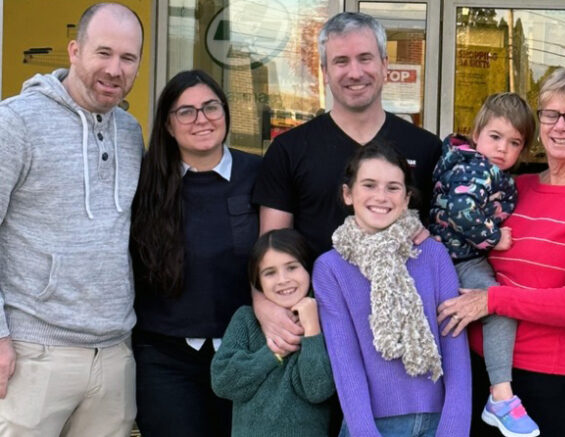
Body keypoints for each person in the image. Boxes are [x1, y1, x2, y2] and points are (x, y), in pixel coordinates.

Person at [437, 67, 565, 437]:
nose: (560, 126)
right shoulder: (514, 186)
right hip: (472, 366)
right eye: (551, 114)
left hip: (546, 380)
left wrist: (493, 300)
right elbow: (461, 237)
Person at [252, 11, 442, 358]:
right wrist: (264, 306)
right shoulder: (289, 150)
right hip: (313, 333)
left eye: (365, 58)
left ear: (385, 64)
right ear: (324, 72)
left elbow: (437, 247)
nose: (355, 72)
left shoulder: (425, 149)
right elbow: (270, 247)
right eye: (341, 61)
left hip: (401, 337)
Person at [0, 3, 143, 435]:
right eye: (103, 53)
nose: (115, 69)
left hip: (114, 354)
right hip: (33, 353)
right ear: (75, 50)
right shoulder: (16, 123)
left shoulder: (132, 132)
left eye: (128, 58)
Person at [130, 70, 261, 436]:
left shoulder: (259, 174)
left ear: (226, 113)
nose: (201, 119)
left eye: (210, 107)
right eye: (185, 112)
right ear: (169, 126)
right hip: (164, 357)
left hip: (243, 352)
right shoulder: (145, 181)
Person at [313, 142, 472, 436]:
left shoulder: (433, 255)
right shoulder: (330, 268)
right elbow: (345, 362)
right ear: (348, 194)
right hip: (371, 426)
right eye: (369, 185)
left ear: (407, 197)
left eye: (393, 187)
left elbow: (455, 349)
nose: (381, 197)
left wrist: (454, 428)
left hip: (438, 422)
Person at [428, 92, 539, 437]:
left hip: (452, 255)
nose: (503, 148)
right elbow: (462, 210)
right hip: (460, 258)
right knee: (500, 305)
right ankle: (501, 396)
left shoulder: (473, 164)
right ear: (477, 133)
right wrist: (493, 238)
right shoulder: (478, 167)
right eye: (495, 136)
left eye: (514, 142)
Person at [211, 229, 335, 437]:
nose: (282, 279)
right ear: (257, 281)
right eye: (270, 272)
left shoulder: (324, 319)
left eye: (292, 267)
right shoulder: (246, 319)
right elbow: (223, 382)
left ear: (308, 269)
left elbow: (317, 390)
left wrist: (312, 329)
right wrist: (274, 353)